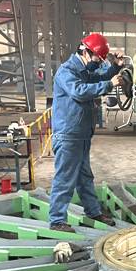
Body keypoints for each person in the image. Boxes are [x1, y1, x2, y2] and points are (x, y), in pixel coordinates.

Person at [49, 33, 123, 232]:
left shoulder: (83, 71)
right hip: (68, 135)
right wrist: (109, 84)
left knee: (84, 178)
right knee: (65, 179)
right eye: (98, 59)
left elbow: (99, 76)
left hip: (81, 134)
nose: (98, 64)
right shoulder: (67, 71)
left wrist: (115, 67)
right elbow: (79, 92)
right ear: (85, 52)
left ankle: (93, 212)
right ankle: (57, 221)